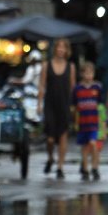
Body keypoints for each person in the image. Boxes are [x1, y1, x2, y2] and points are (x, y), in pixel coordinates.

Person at [38, 38, 76, 179]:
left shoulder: (70, 67)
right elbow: (42, 85)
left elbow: (73, 88)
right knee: (50, 139)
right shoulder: (46, 65)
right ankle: (50, 158)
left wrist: (74, 106)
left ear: (67, 50)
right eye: (59, 47)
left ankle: (60, 166)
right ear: (55, 49)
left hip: (65, 104)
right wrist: (39, 104)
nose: (61, 50)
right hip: (50, 104)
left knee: (63, 135)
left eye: (63, 47)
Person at [72, 62, 102, 181]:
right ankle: (85, 168)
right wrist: (75, 121)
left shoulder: (97, 88)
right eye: (86, 73)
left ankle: (95, 167)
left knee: (93, 144)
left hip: (93, 122)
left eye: (91, 73)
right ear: (82, 74)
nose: (89, 75)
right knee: (84, 147)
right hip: (82, 122)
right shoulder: (77, 89)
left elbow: (99, 104)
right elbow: (74, 106)